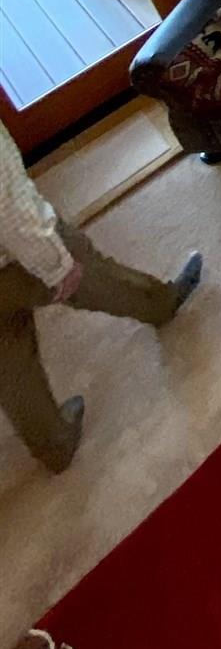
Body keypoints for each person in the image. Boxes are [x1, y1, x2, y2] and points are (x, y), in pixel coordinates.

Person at [0, 121, 201, 471]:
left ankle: (53, 444)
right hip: (11, 260)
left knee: (8, 351)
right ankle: (160, 303)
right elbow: (9, 208)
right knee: (94, 275)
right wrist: (56, 262)